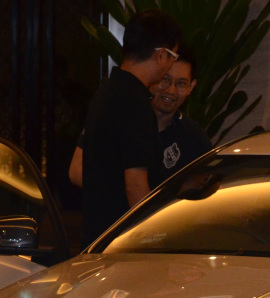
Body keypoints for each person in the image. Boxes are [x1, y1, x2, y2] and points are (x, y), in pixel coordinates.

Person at [77, 9, 181, 245]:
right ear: (161, 55)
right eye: (173, 56)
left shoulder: (107, 91)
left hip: (97, 235)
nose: (171, 64)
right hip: (120, 242)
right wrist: (155, 238)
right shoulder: (135, 103)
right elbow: (135, 186)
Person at [69, 44, 212, 192]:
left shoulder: (194, 137)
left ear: (191, 86)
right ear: (153, 76)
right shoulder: (115, 116)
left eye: (181, 83)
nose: (171, 90)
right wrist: (135, 190)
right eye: (165, 80)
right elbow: (76, 172)